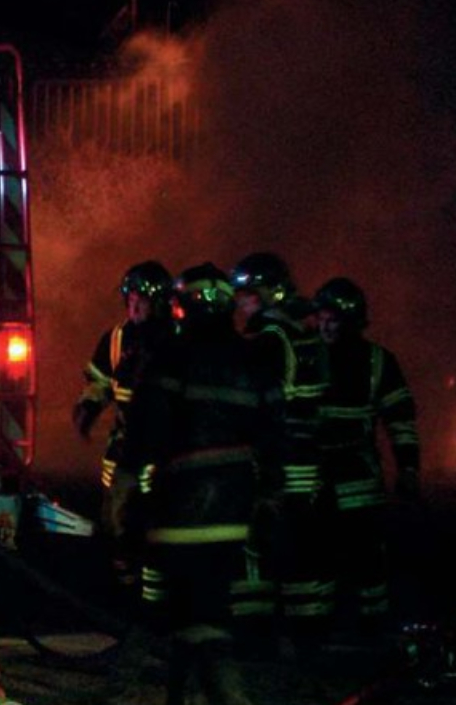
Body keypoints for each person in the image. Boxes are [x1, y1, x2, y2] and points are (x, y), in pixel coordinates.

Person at [126, 262, 287, 705]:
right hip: (233, 513)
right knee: (199, 610)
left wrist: (125, 491)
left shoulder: (171, 356)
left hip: (179, 513)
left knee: (197, 616)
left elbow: (144, 430)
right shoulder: (255, 360)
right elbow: (275, 434)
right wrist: (271, 496)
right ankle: (183, 695)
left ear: (184, 307)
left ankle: (228, 695)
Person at [231, 251, 334, 650]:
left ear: (268, 293)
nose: (241, 303)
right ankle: (308, 633)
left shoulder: (269, 337)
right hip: (307, 459)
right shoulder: (303, 332)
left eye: (247, 295)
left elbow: (257, 401)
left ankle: (254, 634)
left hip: (277, 460)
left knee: (256, 544)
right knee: (301, 548)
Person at [313, 277, 420, 634]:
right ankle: (319, 627)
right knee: (315, 552)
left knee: (366, 555)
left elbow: (400, 421)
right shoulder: (304, 355)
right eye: (321, 318)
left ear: (352, 321)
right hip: (311, 473)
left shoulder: (378, 361)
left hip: (357, 474)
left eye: (333, 319)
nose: (325, 326)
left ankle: (373, 626)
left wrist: (408, 469)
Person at [72, 260, 176, 595]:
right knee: (117, 523)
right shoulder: (116, 339)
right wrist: (88, 406)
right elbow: (100, 381)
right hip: (125, 449)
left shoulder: (178, 340)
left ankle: (155, 592)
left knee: (160, 523)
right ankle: (127, 591)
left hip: (167, 450)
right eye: (129, 299)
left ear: (159, 302)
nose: (133, 306)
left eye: (141, 300)